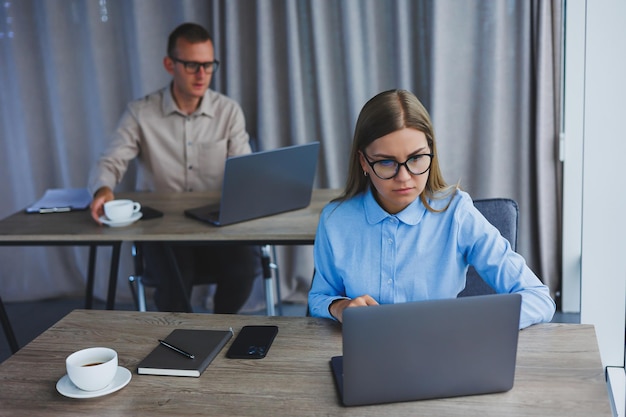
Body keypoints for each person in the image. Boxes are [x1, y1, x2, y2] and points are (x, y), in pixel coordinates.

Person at [308, 89, 555, 329]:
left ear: (431, 153)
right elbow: (320, 297)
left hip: (441, 355)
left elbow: (538, 298)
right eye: (386, 162)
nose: (404, 177)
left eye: (416, 158)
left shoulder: (457, 213)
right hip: (359, 355)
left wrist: (474, 324)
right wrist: (340, 307)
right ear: (364, 161)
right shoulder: (335, 220)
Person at [88, 22, 261, 313]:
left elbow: (244, 167)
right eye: (192, 65)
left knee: (244, 271)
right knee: (173, 285)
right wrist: (103, 189)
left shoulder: (228, 111)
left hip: (220, 223)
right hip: (163, 228)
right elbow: (111, 159)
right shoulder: (141, 112)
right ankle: (186, 338)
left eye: (208, 65)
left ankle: (219, 328)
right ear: (170, 64)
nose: (202, 74)